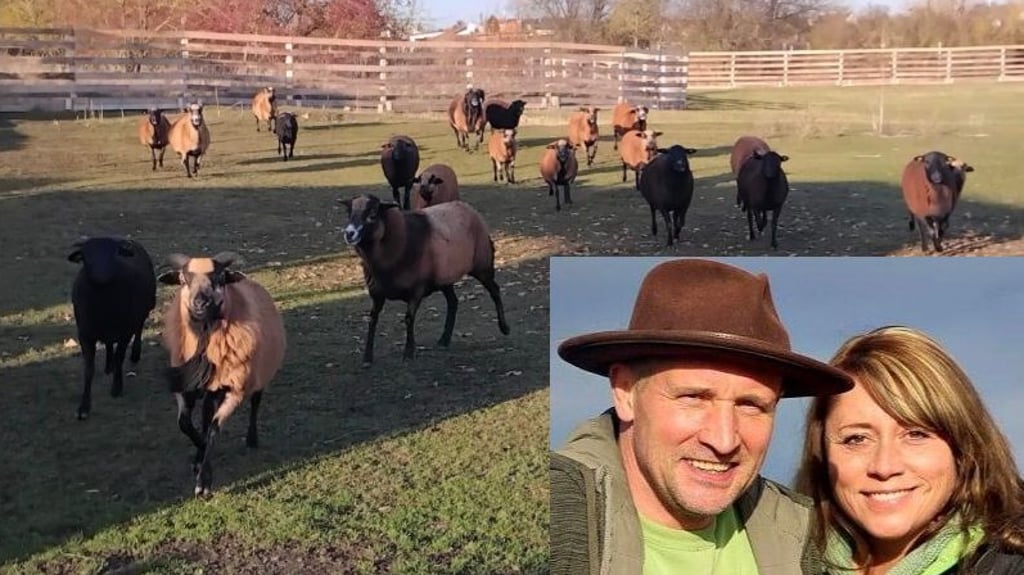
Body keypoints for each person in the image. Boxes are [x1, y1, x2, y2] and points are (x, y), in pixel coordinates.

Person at [550, 258, 854, 575]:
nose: (723, 440)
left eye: (751, 405)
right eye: (694, 397)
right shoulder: (564, 519)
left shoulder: (799, 534)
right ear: (626, 392)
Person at [795, 326, 1024, 574]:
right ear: (822, 453)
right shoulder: (780, 557)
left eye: (916, 434)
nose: (884, 467)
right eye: (857, 439)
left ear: (963, 448)